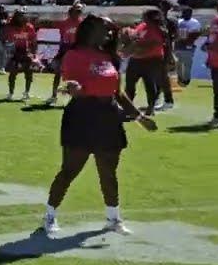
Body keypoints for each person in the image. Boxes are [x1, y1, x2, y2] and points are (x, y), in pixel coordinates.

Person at [44, 15, 156, 236]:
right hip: (82, 115)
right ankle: (49, 215)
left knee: (108, 172)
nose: (108, 33)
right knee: (70, 170)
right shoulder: (74, 55)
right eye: (104, 29)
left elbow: (119, 93)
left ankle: (113, 219)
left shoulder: (108, 56)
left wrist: (139, 117)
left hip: (109, 117)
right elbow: (72, 83)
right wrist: (73, 88)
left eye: (109, 30)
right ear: (89, 30)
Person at [122, 9, 167, 114]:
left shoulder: (158, 30)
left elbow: (153, 44)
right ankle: (128, 107)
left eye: (145, 16)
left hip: (151, 60)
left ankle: (151, 107)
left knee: (149, 84)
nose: (143, 17)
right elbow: (135, 38)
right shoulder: (142, 26)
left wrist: (135, 47)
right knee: (129, 84)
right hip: (136, 59)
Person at [47, 2, 84, 105]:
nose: (78, 13)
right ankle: (54, 96)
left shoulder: (82, 24)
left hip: (77, 51)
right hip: (65, 49)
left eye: (80, 11)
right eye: (77, 11)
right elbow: (62, 38)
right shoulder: (64, 23)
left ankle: (74, 97)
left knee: (76, 76)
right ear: (71, 11)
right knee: (58, 73)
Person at [2, 9, 37, 101]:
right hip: (15, 53)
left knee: (29, 73)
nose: (22, 17)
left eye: (23, 15)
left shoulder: (29, 27)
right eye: (20, 15)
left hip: (26, 52)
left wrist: (34, 55)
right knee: (13, 73)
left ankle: (27, 92)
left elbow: (34, 42)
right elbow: (5, 40)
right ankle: (10, 93)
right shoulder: (10, 27)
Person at [173, 5, 201, 87]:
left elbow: (195, 34)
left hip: (188, 47)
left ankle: (186, 80)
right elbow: (175, 33)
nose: (184, 14)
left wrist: (187, 40)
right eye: (183, 12)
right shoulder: (178, 21)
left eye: (186, 12)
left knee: (187, 64)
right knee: (178, 64)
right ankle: (180, 78)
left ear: (190, 13)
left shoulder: (195, 22)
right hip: (178, 46)